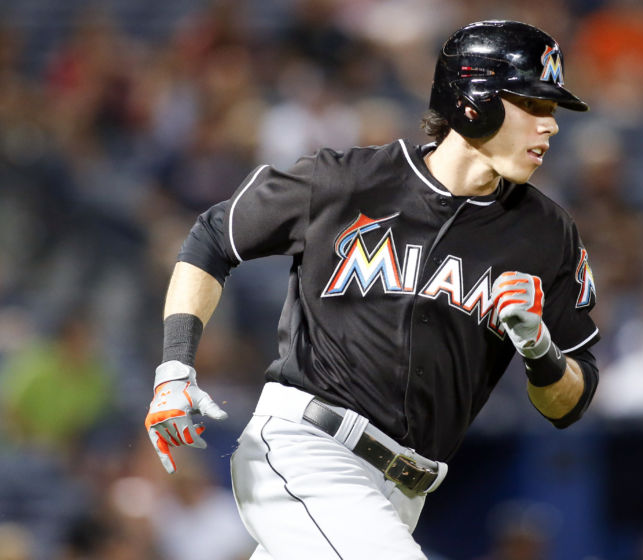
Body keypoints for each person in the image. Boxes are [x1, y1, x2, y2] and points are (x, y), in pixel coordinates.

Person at [144, 20, 600, 559]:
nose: (550, 127)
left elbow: (570, 401)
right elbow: (212, 237)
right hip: (307, 450)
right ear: (475, 101)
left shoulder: (547, 235)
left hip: (401, 495)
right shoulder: (349, 181)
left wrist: (538, 349)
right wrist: (175, 368)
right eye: (534, 106)